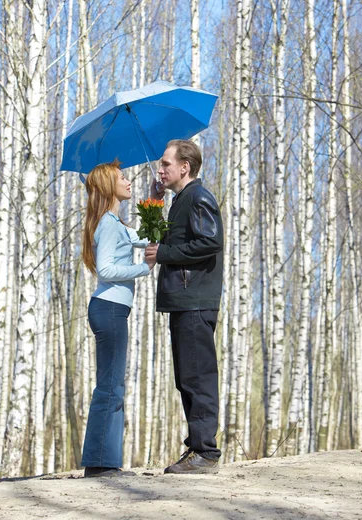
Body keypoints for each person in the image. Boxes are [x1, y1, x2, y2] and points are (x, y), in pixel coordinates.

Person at [145, 139, 224, 474]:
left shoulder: (198, 197)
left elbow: (210, 241)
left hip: (195, 301)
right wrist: (153, 203)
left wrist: (164, 254)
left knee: (198, 377)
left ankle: (206, 453)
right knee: (187, 378)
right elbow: (159, 238)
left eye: (165, 164)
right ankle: (197, 448)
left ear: (184, 167)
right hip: (181, 301)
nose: (160, 169)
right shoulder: (180, 201)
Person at [81, 160, 155, 478]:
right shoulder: (109, 224)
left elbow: (148, 237)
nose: (128, 181)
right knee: (110, 388)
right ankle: (100, 464)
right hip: (109, 309)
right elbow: (107, 269)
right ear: (109, 186)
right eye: (122, 177)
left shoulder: (116, 222)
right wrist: (144, 269)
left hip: (112, 309)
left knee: (113, 386)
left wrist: (156, 198)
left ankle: (105, 461)